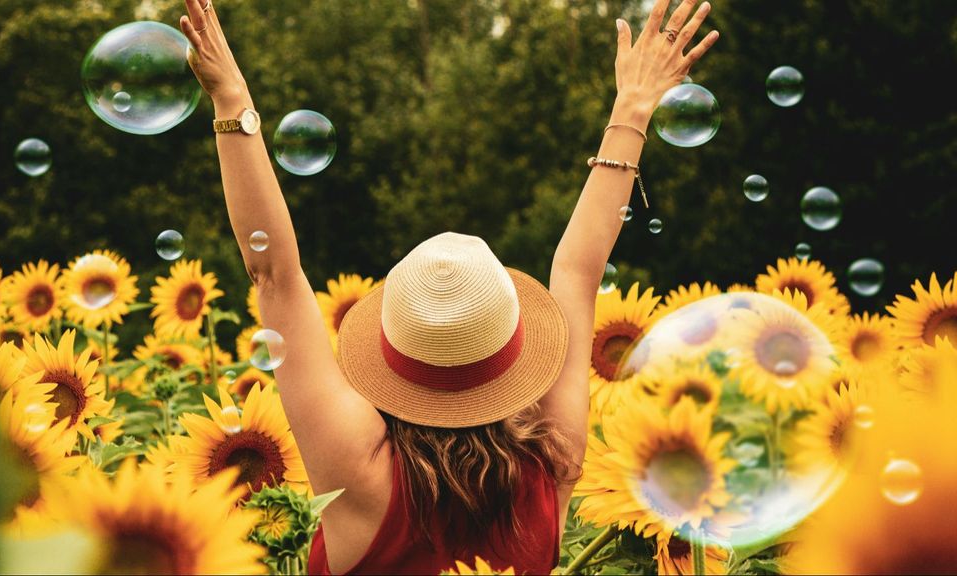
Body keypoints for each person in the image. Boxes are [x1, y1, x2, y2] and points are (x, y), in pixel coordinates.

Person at [178, 0, 718, 573]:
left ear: (394, 352)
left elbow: (275, 274)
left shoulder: (359, 475)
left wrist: (232, 99)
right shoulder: (551, 469)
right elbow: (580, 273)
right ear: (512, 356)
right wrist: (632, 109)